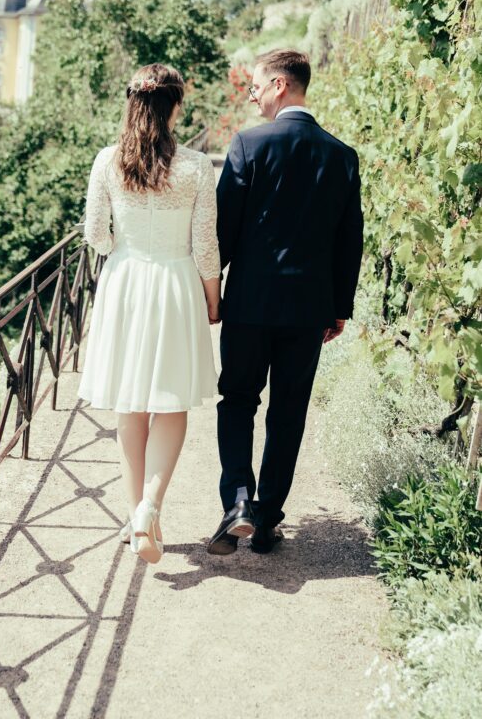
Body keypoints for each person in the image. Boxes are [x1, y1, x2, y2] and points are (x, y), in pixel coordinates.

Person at [207, 48, 363, 555]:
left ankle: (237, 503)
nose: (251, 95)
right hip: (308, 309)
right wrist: (340, 307)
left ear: (279, 86)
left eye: (255, 86)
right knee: (289, 410)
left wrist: (211, 291)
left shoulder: (248, 145)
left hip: (250, 305)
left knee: (237, 401)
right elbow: (348, 240)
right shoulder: (341, 155)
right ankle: (268, 518)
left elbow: (222, 231)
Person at [78, 62, 221, 564]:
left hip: (125, 282)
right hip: (177, 281)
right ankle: (150, 509)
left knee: (129, 402)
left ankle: (134, 512)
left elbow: (96, 234)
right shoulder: (197, 167)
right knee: (170, 399)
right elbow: (206, 245)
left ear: (132, 103)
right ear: (175, 106)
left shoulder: (106, 162)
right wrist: (212, 295)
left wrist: (123, 251)